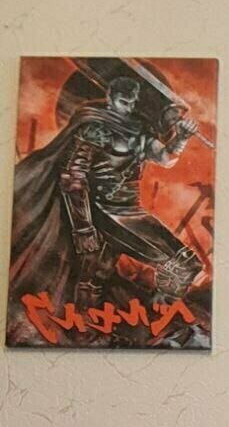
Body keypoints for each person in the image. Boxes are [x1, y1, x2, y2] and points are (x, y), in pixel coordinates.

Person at [7, 74, 203, 344]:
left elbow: (165, 157)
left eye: (132, 103)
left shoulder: (138, 128)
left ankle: (154, 323)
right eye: (123, 102)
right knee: (170, 264)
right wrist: (84, 227)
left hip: (130, 210)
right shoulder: (95, 127)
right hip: (104, 212)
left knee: (98, 275)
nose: (128, 108)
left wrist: (180, 138)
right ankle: (101, 329)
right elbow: (73, 178)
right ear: (110, 98)